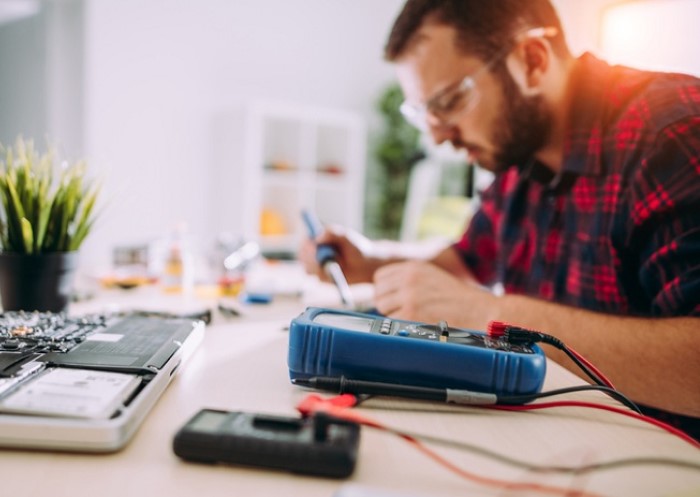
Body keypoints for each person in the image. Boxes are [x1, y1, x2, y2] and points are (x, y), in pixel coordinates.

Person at [298, 0, 700, 437]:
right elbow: (466, 260)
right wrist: (369, 262)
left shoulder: (673, 134)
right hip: (564, 442)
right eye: (425, 113)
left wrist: (485, 311)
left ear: (531, 60)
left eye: (450, 101)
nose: (437, 135)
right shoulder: (518, 159)